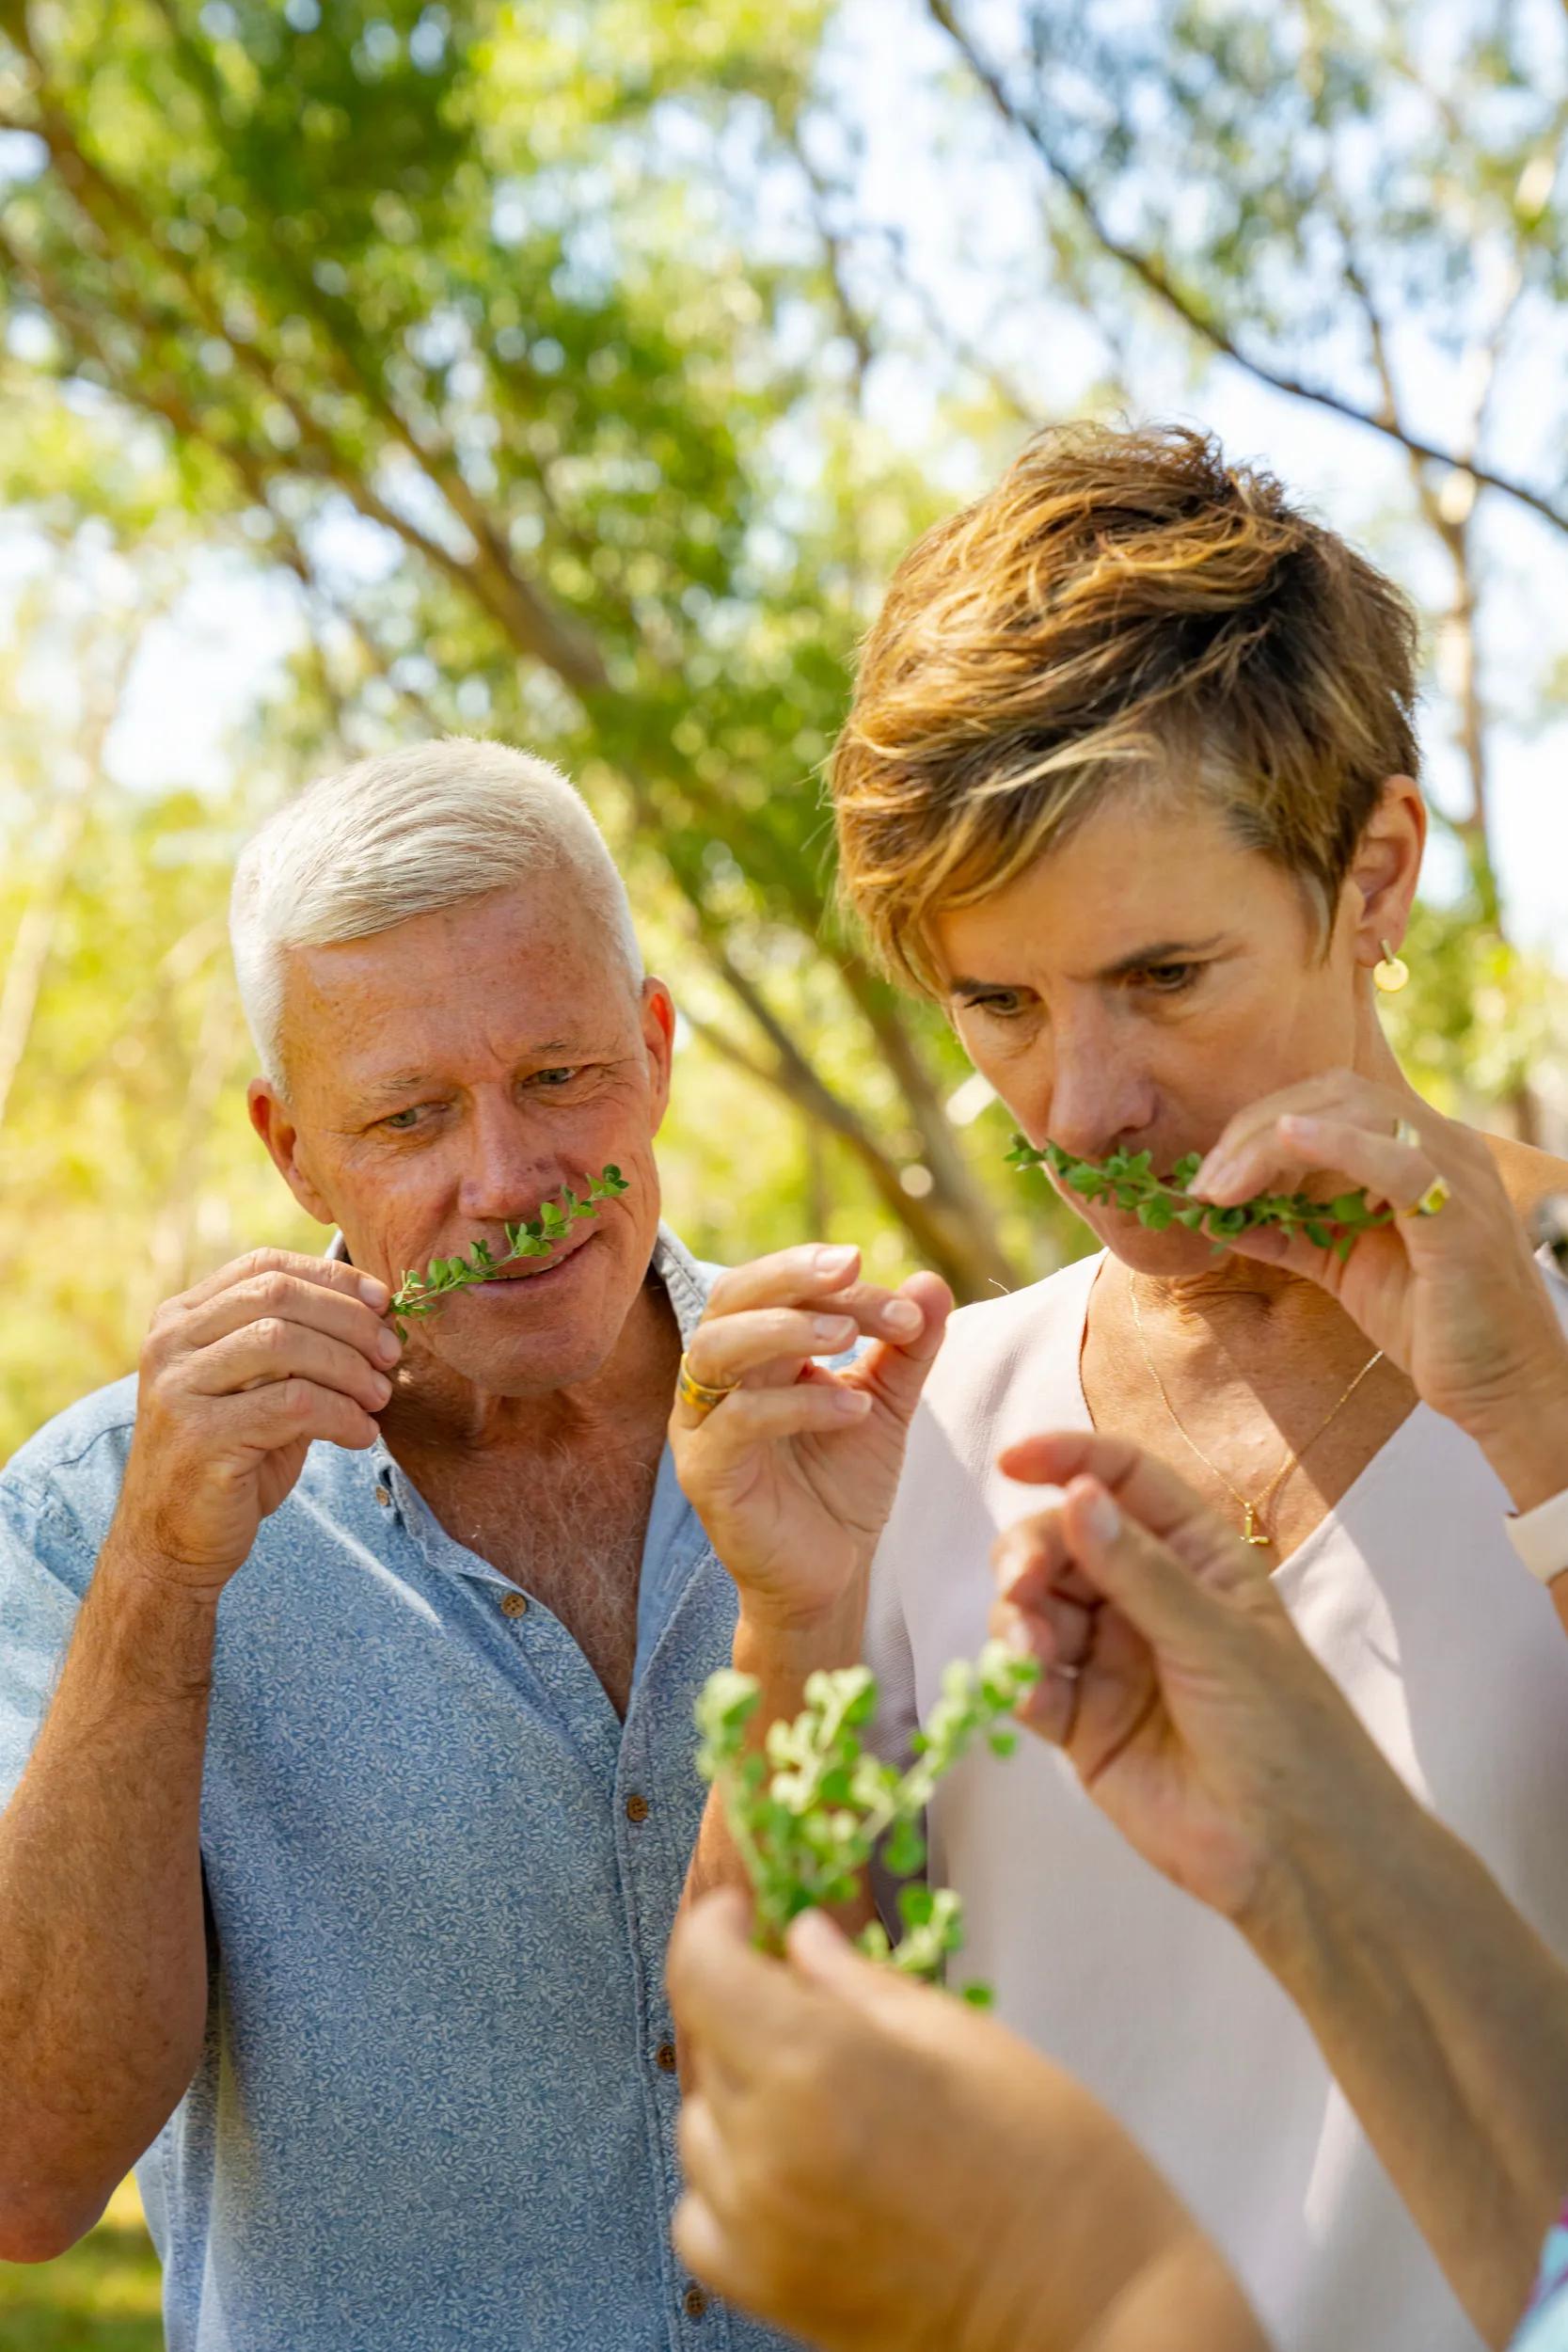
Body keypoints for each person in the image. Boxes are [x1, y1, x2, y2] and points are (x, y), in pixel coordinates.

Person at [671, 423, 1568, 2352]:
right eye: (999, 1002)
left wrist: (1546, 1451)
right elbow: (768, 2068)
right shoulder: (937, 1409)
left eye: (1164, 975)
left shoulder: (1558, 1356)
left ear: (1377, 870)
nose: (1080, 1109)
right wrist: (792, 1611)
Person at [0, 739, 944, 2350]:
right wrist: (160, 1582)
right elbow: (29, 2170)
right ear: (292, 1148)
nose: (504, 1182)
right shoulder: (95, 1512)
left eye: (561, 1077)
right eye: (411, 1114)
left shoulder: (886, 1422)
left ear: (653, 1053)